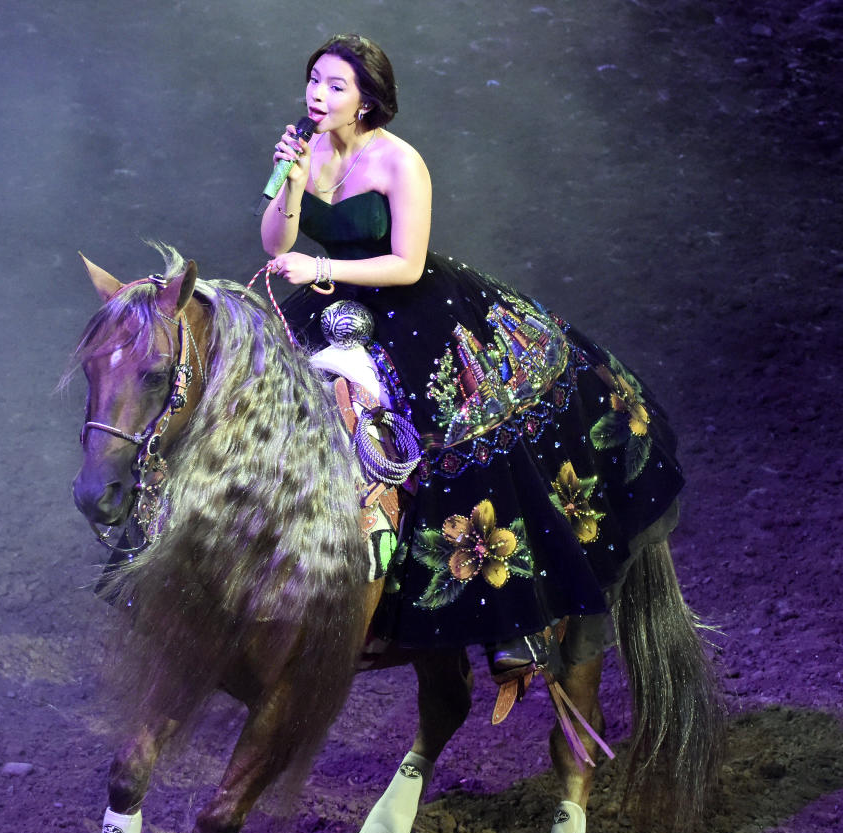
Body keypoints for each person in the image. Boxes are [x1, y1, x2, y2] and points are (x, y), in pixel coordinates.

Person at [260, 33, 683, 665]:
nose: (317, 94)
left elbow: (406, 264)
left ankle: (509, 614)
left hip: (409, 307)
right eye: (314, 78)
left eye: (335, 85)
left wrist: (322, 263)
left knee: (452, 435)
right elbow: (273, 242)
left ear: (368, 102)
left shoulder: (401, 163)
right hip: (330, 302)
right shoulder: (304, 149)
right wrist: (290, 185)